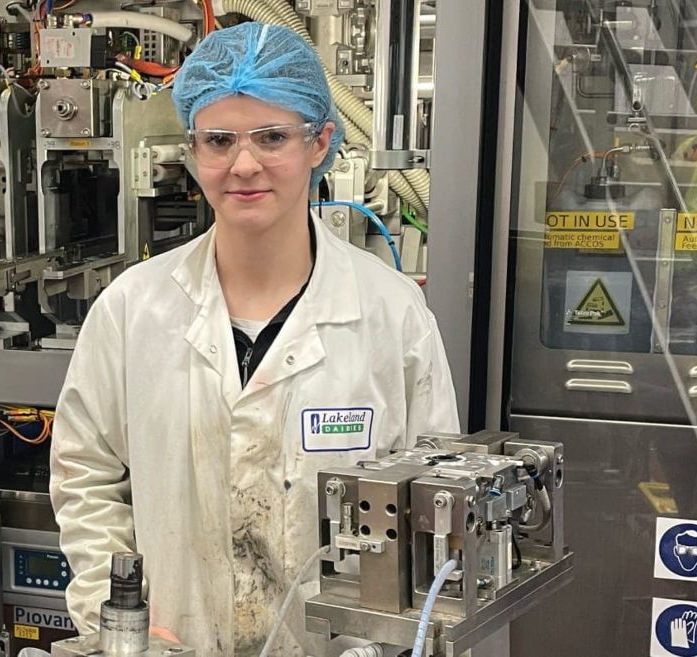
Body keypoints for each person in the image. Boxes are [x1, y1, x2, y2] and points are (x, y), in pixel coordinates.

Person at [49, 21, 459, 657]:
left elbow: (437, 503)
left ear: (320, 142)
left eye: (272, 137)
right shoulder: (133, 310)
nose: (244, 165)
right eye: (219, 141)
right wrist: (121, 615)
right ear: (193, 152)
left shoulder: (391, 315)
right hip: (173, 643)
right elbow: (86, 475)